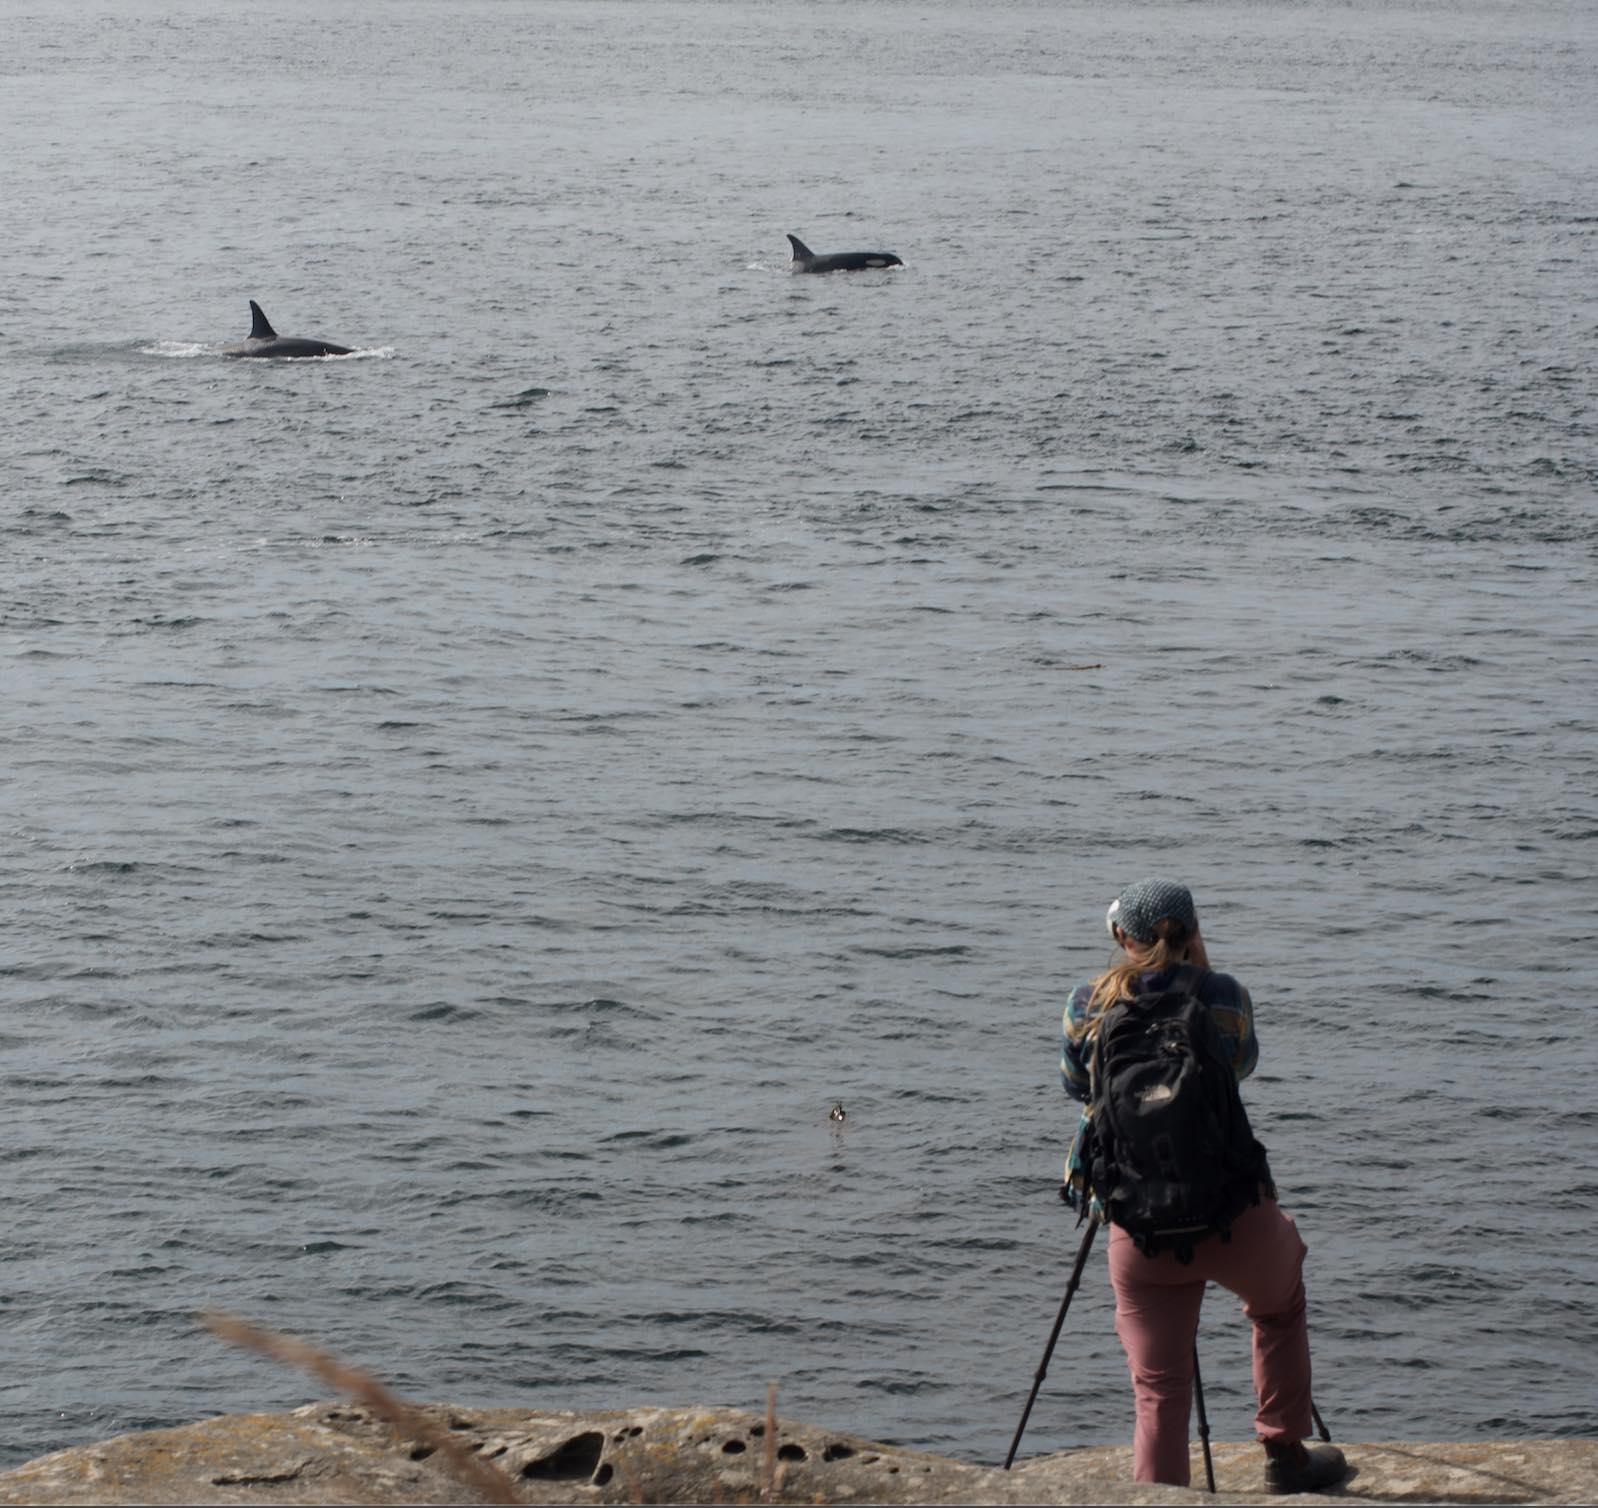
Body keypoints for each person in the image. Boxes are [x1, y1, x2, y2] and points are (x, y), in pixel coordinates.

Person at [1060, 878, 1348, 1493]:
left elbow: (1075, 1086)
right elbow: (1241, 1064)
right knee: (1278, 1303)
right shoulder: (1223, 995)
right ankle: (1286, 1454)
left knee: (1159, 1386)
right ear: (1193, 932)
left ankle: (1163, 1497)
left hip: (1137, 1224)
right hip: (1232, 1211)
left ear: (1121, 936)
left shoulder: (1086, 1002)